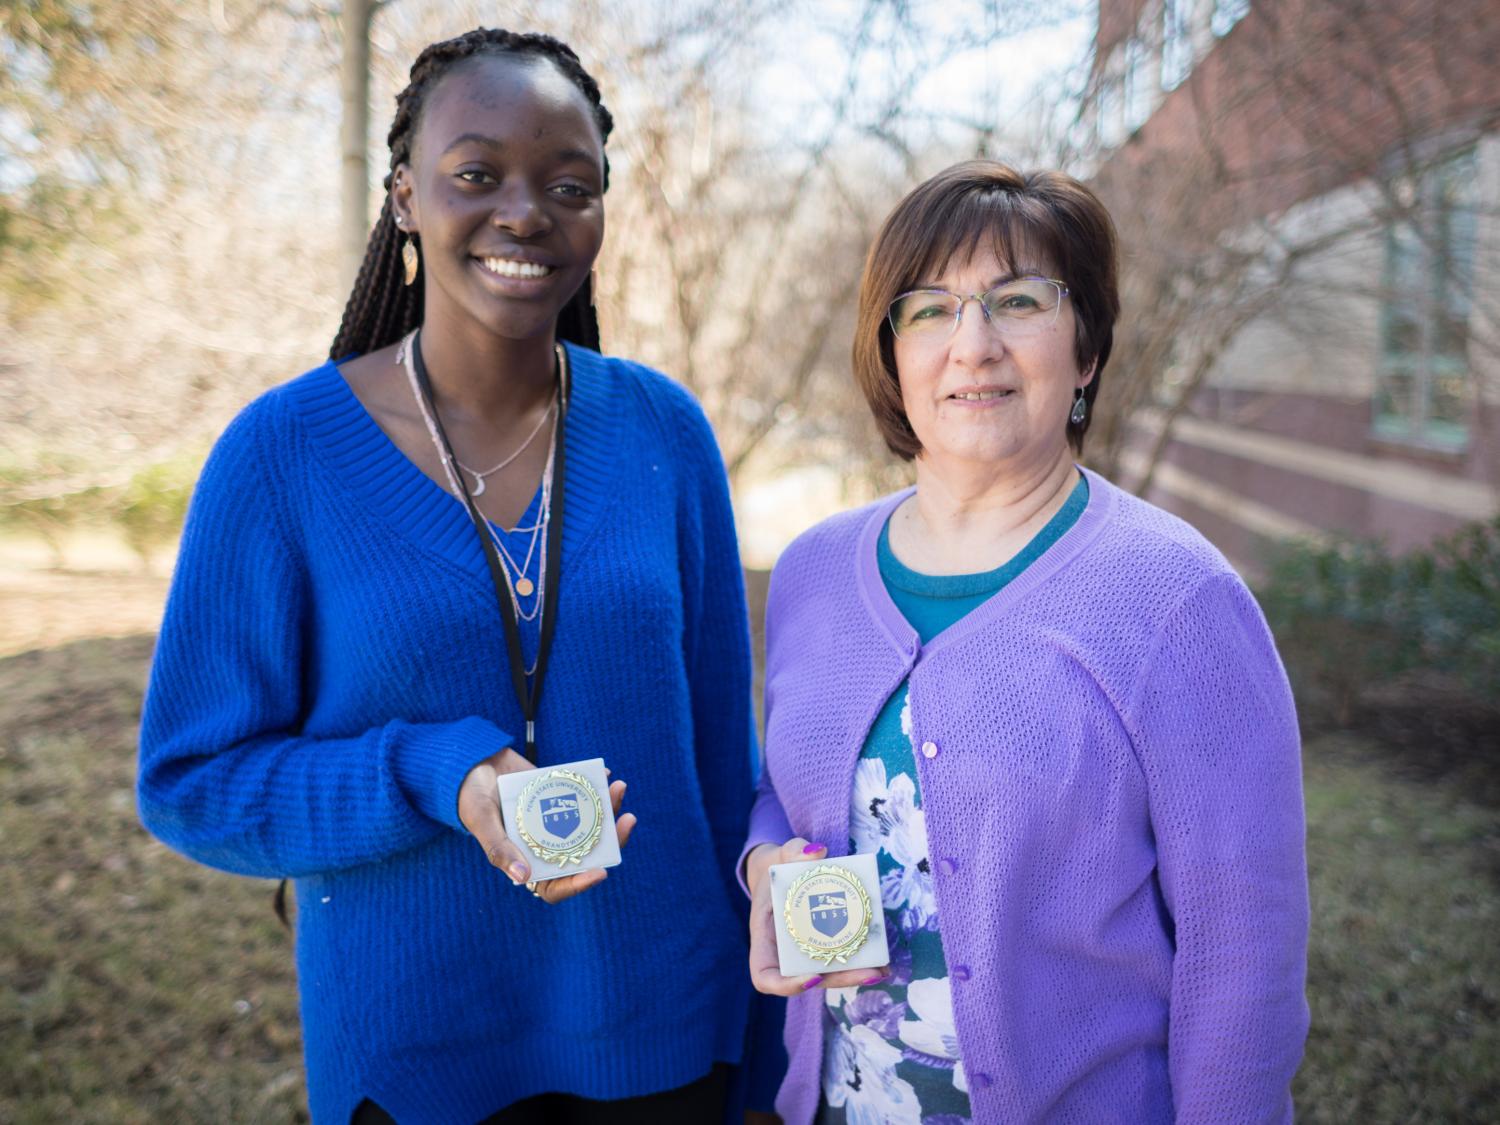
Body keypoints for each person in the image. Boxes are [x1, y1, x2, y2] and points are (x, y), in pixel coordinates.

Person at [138, 28, 769, 1124]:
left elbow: (723, 769)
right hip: (418, 1057)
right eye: (477, 174)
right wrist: (440, 774)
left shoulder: (665, 432)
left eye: (570, 184)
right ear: (404, 196)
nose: (525, 212)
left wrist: (763, 1065)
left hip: (667, 1043)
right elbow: (193, 781)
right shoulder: (281, 455)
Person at [740, 161, 1309, 1124]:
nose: (974, 345)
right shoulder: (813, 572)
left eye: (1018, 300)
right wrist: (765, 867)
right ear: (891, 352)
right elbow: (777, 793)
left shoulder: (1179, 601)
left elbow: (1242, 957)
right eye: (931, 309)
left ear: (1085, 348)